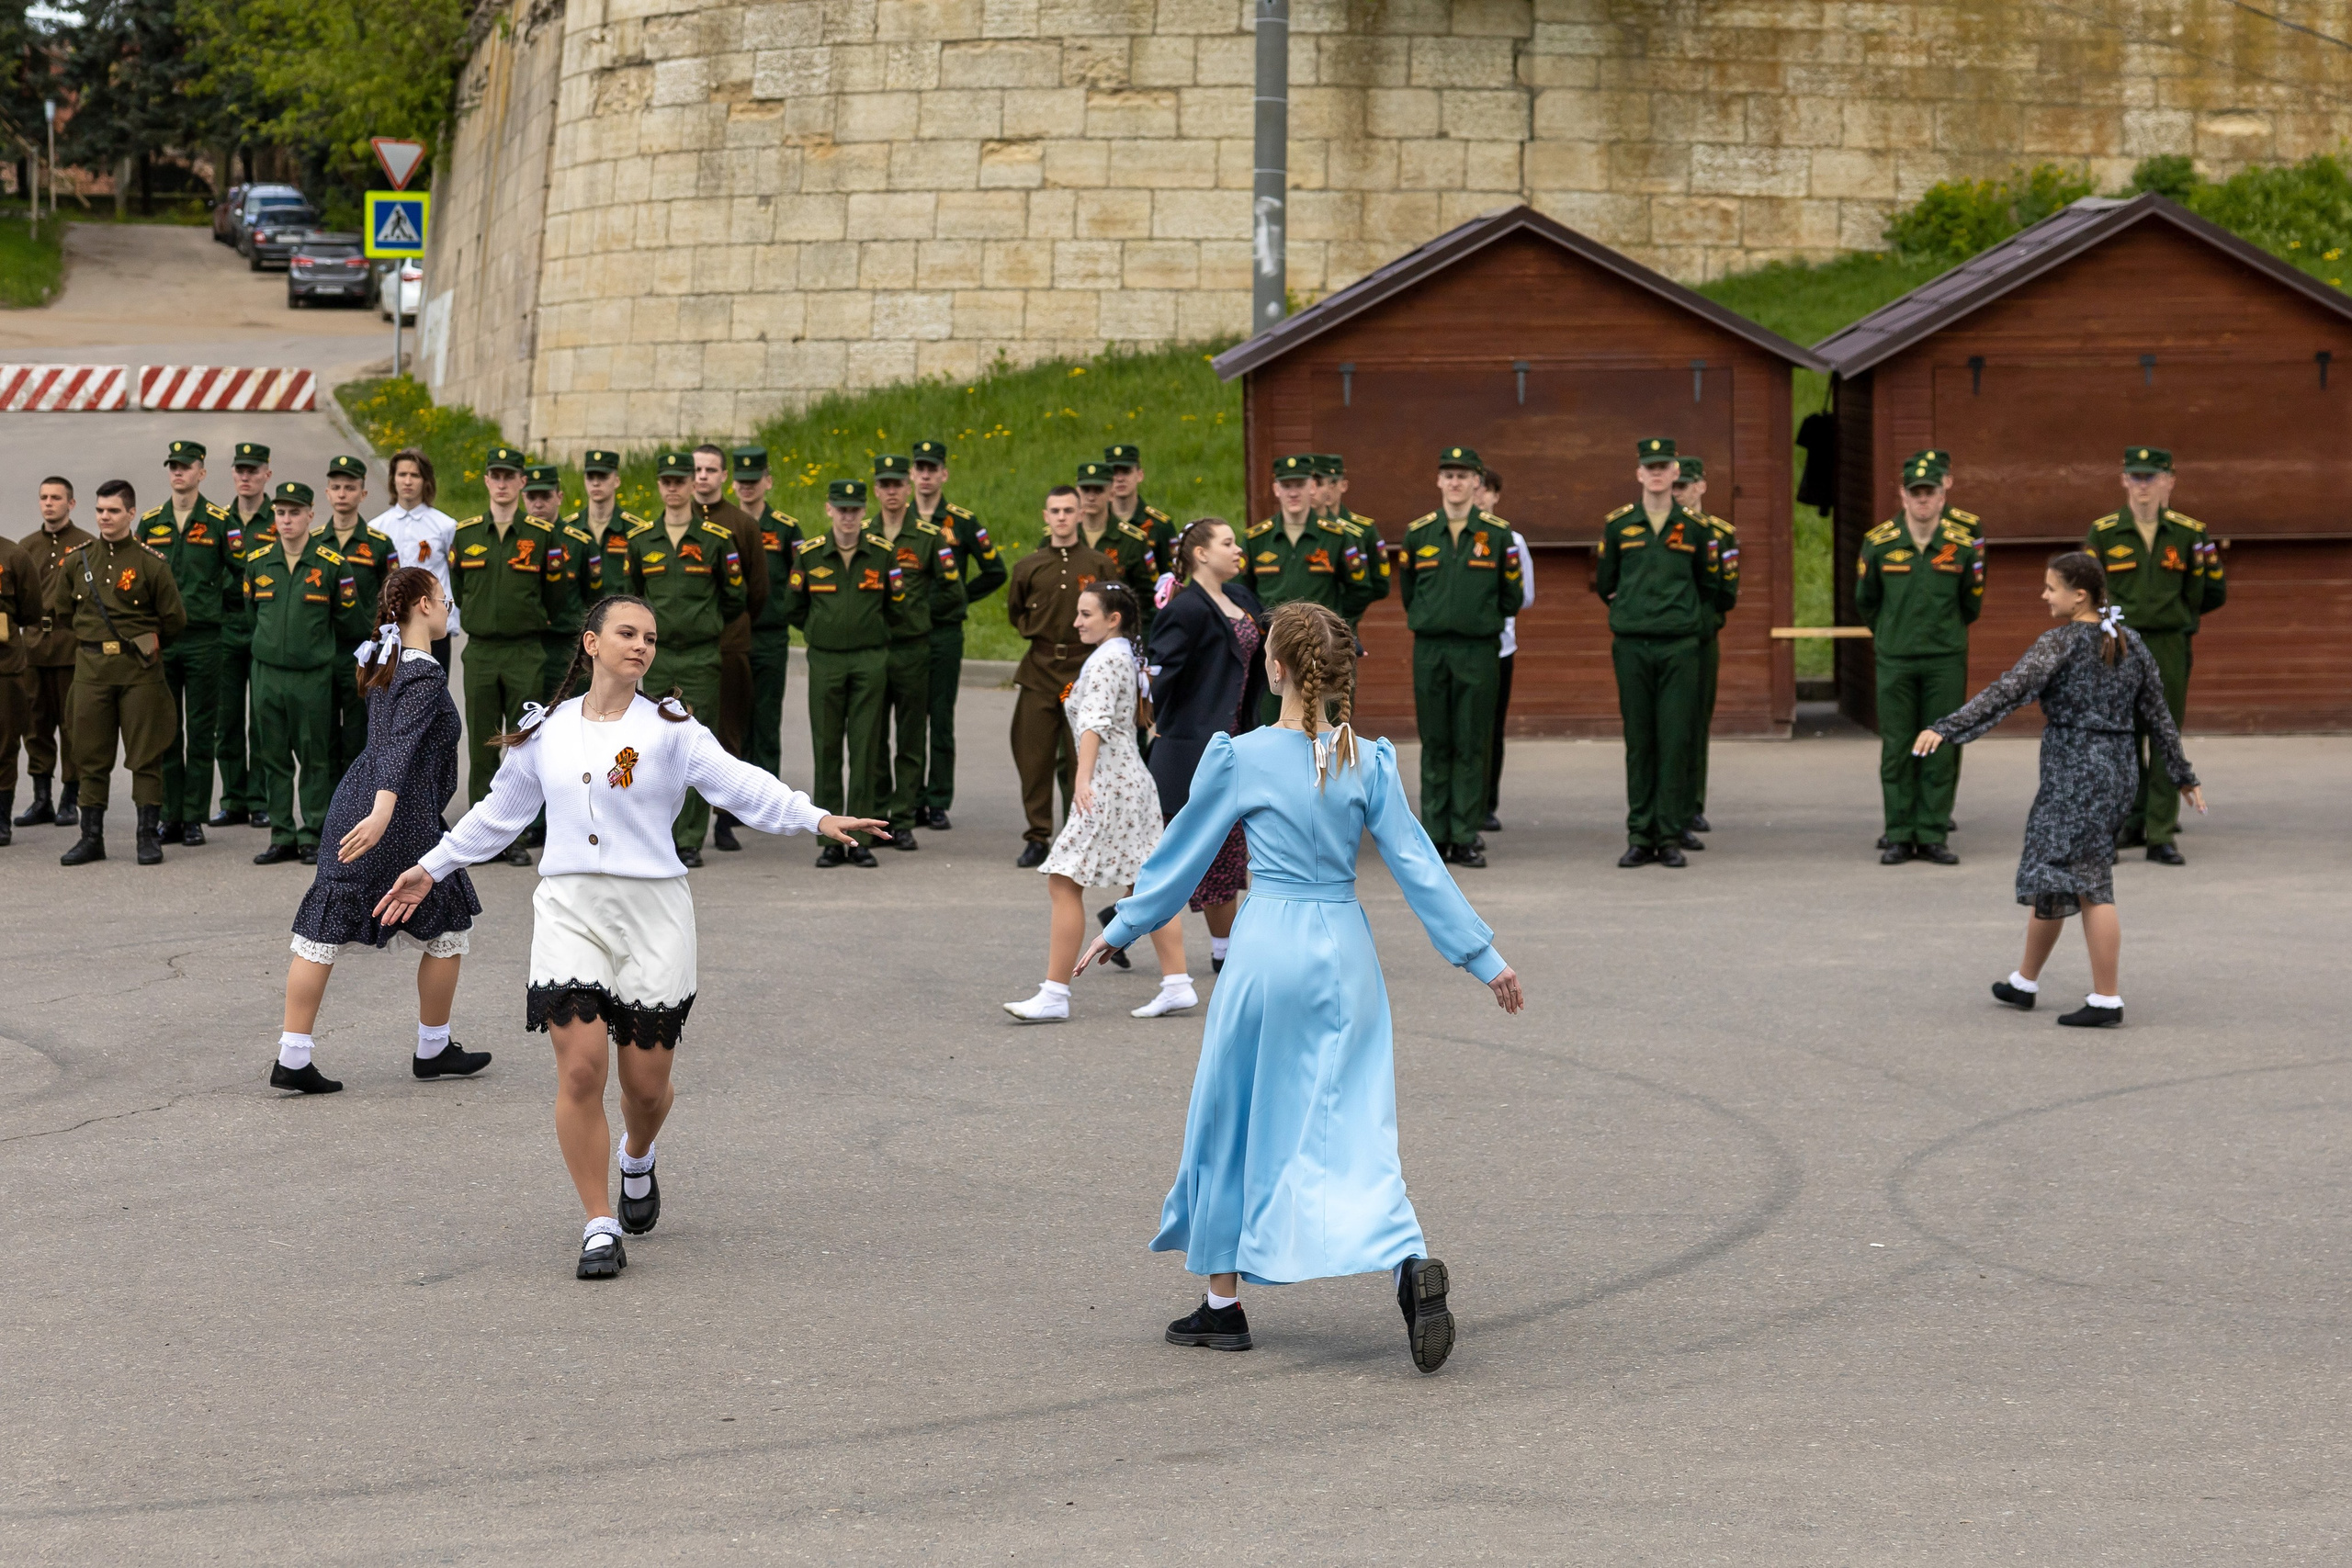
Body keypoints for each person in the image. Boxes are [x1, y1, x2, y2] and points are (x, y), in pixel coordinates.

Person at [372, 594, 887, 1279]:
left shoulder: (671, 729)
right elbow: (501, 812)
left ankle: (636, 1157)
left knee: (645, 1087)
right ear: (590, 643)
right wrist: (431, 867)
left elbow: (738, 782)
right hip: (571, 906)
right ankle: (597, 1223)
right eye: (626, 632)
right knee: (581, 1065)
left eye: (649, 637)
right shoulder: (546, 730)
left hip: (654, 911)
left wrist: (813, 817)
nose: (641, 645)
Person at [1076, 601, 1524, 1372]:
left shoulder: (1242, 756)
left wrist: (1122, 923)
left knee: (1230, 1114)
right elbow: (1419, 865)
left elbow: (1184, 851)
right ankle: (1407, 1259)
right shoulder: (1368, 760)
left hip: (1268, 947)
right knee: (1355, 1122)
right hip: (1345, 950)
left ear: (1273, 668)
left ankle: (1223, 1306)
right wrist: (1482, 956)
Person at [1917, 551, 2205, 1028]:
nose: (2044, 595)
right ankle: (2024, 982)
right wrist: (2183, 775)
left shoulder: (2061, 643)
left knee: (2091, 881)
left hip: (2076, 773)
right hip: (2115, 771)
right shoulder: (2130, 641)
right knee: (2054, 868)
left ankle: (2107, 999)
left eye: (2051, 588)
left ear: (2080, 596)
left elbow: (2008, 690)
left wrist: (1948, 728)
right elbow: (2159, 717)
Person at [271, 567, 488, 1095]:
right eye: (442, 598)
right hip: (397, 817)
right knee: (448, 922)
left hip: (365, 806)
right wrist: (384, 811)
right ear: (420, 606)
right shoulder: (424, 673)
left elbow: (386, 743)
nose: (447, 606)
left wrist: (374, 808)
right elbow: (397, 749)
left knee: (323, 926)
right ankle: (432, 1048)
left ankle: (292, 1055)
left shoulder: (387, 660)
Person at [1006, 580, 1194, 1021]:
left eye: (1085, 614)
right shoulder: (1124, 654)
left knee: (1064, 881)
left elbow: (1094, 722)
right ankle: (1177, 983)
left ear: (1114, 619)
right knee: (1148, 887)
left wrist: (1082, 779)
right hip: (1130, 784)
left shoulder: (1109, 657)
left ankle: (1054, 995)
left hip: (1110, 786)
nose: (1076, 622)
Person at [2086, 446, 2224, 866]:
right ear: (2123, 480)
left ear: (2170, 480)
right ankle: (2127, 822)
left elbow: (2209, 592)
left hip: (2168, 644)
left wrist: (2178, 619)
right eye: (2136, 476)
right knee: (2121, 739)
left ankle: (2161, 834)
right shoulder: (2104, 533)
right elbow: (2090, 593)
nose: (2143, 485)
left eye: (2152, 477)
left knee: (2164, 738)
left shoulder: (2190, 533)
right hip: (2120, 644)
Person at [1143, 519, 1266, 974]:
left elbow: (1281, 630)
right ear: (1199, 554)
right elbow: (1159, 676)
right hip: (1191, 751)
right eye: (1228, 543)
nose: (1238, 550)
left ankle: (1219, 948)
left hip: (1238, 747)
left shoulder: (1241, 598)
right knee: (1187, 851)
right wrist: (1155, 723)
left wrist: (1336, 641)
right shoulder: (1186, 608)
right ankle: (1225, 954)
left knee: (1223, 850)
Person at [1595, 437, 1721, 869]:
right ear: (1639, 474)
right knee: (1640, 740)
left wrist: (1684, 620)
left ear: (1674, 473)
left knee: (1674, 738)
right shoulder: (1618, 526)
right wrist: (1634, 614)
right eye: (1648, 466)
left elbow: (1713, 587)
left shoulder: (1697, 529)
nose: (1656, 473)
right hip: (1631, 644)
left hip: (1680, 646)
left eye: (1663, 466)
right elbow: (1606, 581)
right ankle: (1639, 834)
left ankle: (1668, 835)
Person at [620, 449, 749, 867]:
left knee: (696, 745)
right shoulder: (641, 541)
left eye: (681, 480)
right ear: (659, 485)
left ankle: (690, 837)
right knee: (656, 747)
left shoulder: (715, 540)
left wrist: (701, 624)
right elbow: (631, 597)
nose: (674, 488)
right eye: (667, 481)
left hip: (700, 657)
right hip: (656, 657)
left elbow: (736, 598)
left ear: (694, 485)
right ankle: (659, 831)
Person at [50, 479, 187, 867]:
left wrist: (145, 644)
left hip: (139, 673)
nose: (104, 517)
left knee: (146, 757)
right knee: (90, 757)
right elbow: (63, 611)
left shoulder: (150, 563)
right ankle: (91, 837)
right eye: (99, 511)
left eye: (113, 511)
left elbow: (174, 619)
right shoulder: (78, 561)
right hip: (92, 671)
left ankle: (147, 836)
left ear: (131, 513)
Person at [1399, 446, 1523, 868]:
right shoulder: (1419, 535)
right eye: (1447, 475)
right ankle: (1435, 835)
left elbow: (1511, 596)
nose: (1455, 482)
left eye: (1463, 475)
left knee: (1472, 741)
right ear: (1438, 481)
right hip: (1431, 648)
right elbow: (1410, 592)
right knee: (1436, 740)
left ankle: (1465, 835)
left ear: (1477, 482)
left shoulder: (1499, 535)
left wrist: (1476, 619)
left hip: (1478, 649)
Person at [1858, 455, 1983, 864]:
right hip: (1896, 658)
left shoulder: (1962, 546)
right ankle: (1898, 833)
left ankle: (1931, 833)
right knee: (1897, 746)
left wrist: (1942, 634)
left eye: (1930, 492)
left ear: (1943, 494)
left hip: (1945, 659)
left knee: (1941, 744)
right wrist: (1894, 634)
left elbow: (1971, 603)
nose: (1923, 500)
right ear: (1903, 495)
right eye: (1916, 493)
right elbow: (1867, 602)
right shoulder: (1878, 543)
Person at [449, 445, 567, 866]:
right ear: (486, 481)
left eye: (509, 476)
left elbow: (554, 593)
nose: (501, 483)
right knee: (483, 743)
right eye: (494, 475)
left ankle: (515, 834)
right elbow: (460, 590)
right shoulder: (465, 534)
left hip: (524, 651)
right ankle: (483, 835)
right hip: (480, 650)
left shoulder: (542, 535)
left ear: (521, 482)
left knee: (523, 745)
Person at [244, 481, 372, 866]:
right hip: (267, 673)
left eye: (294, 512)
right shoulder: (258, 561)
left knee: (315, 756)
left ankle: (313, 833)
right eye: (280, 513)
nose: (286, 520)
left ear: (310, 515)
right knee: (274, 755)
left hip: (312, 676)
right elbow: (252, 613)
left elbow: (349, 621)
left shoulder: (332, 564)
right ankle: (281, 833)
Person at [783, 479, 894, 868]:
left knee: (865, 749)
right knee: (827, 747)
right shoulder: (810, 555)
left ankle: (860, 839)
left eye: (854, 509)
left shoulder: (882, 554)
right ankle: (830, 839)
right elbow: (794, 607)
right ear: (828, 509)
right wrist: (817, 633)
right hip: (826, 660)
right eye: (841, 508)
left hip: (869, 660)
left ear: (864, 512)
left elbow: (896, 607)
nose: (848, 516)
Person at [139, 439, 237, 848]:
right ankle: (169, 815)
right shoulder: (150, 521)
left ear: (202, 472)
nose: (178, 473)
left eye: (186, 466)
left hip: (204, 641)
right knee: (166, 731)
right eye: (173, 466)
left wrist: (216, 607)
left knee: (200, 730)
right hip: (164, 642)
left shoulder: (218, 520)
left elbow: (242, 572)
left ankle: (194, 816)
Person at [1006, 488, 1112, 867]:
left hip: (1084, 670)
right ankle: (1037, 835)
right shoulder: (1028, 566)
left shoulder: (1099, 564)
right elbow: (1016, 612)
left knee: (1081, 758)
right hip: (1040, 669)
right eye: (1056, 511)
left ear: (1081, 514)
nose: (1063, 517)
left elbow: (1116, 612)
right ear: (1045, 516)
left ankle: (1078, 833)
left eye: (1069, 510)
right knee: (1033, 756)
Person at [911, 438, 1004, 829]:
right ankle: (909, 797)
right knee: (909, 718)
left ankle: (937, 800)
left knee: (941, 717)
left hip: (945, 633)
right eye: (920, 467)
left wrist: (960, 598)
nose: (927, 474)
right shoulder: (899, 522)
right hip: (906, 633)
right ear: (912, 474)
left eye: (933, 468)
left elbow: (995, 570)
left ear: (944, 474)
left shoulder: (961, 522)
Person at [867, 454, 953, 852]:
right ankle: (881, 812)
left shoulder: (928, 535)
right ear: (876, 489)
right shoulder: (863, 534)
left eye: (897, 484)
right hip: (874, 648)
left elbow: (950, 587)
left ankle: (904, 817)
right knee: (873, 736)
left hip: (912, 649)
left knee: (911, 736)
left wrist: (921, 617)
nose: (891, 491)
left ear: (908, 486)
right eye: (883, 485)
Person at [687, 443, 769, 852]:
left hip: (727, 645)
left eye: (711, 469)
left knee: (727, 733)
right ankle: (679, 823)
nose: (703, 476)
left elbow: (756, 591)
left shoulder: (742, 524)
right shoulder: (674, 525)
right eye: (697, 469)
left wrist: (726, 627)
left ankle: (724, 820)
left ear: (724, 477)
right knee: (678, 733)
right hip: (682, 647)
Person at [16, 476, 94, 831]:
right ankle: (41, 798)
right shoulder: (26, 546)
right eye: (44, 497)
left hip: (70, 646)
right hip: (32, 647)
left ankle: (69, 798)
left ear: (71, 504)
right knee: (35, 724)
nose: (49, 504)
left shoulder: (86, 545)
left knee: (72, 724)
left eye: (56, 498)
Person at [1668, 456, 1737, 841]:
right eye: (1675, 486)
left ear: (1701, 487)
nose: (1679, 493)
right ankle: (1670, 807)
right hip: (1668, 635)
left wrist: (1702, 622)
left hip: (1702, 637)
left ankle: (1692, 805)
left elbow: (1725, 591)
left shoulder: (1718, 533)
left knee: (1695, 722)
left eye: (1685, 486)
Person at [1244, 454, 1376, 649]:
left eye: (1299, 485)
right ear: (1276, 490)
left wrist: (1333, 622)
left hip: (1322, 642)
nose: (1293, 493)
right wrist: (1261, 627)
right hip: (1273, 643)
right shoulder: (1256, 539)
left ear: (1312, 488)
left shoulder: (1336, 537)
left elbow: (1360, 590)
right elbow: (1241, 592)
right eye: (1286, 486)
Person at [320, 456, 397, 786]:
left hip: (361, 655)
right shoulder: (312, 543)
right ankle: (324, 814)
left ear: (363, 494)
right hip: (320, 652)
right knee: (322, 737)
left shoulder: (379, 545)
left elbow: (393, 601)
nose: (342, 494)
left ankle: (356, 806)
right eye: (336, 487)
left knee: (357, 736)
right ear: (326, 493)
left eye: (350, 488)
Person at [732, 446, 804, 784]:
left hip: (771, 635)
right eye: (742, 481)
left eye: (754, 480)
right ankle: (738, 793)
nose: (748, 487)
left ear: (768, 481)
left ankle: (768, 790)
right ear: (732, 484)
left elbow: (799, 580)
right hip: (734, 635)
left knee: (766, 716)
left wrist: (787, 613)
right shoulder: (722, 526)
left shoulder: (786, 529)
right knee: (735, 717)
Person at [213, 442, 275, 832]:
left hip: (265, 628)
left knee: (262, 720)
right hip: (227, 627)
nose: (246, 477)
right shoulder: (219, 521)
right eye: (240, 470)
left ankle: (260, 800)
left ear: (267, 473)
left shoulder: (280, 517)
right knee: (227, 719)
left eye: (254, 470)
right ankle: (232, 799)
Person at [1476, 467, 1534, 836]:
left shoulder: (1512, 540)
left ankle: (1486, 804)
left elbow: (1524, 596)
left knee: (1491, 729)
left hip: (1499, 647)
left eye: (1486, 490)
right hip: (1464, 646)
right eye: (1475, 487)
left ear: (1496, 496)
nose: (1479, 495)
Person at [370, 448, 461, 671]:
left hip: (432, 628)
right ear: (393, 480)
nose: (408, 481)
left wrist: (450, 620)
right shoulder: (377, 527)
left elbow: (455, 576)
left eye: (415, 475)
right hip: (391, 627)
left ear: (426, 481)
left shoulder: (445, 525)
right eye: (402, 475)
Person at [1103, 444, 1177, 635]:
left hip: (1145, 620)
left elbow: (1169, 578)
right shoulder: (1096, 524)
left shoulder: (1160, 526)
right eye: (1113, 472)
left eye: (1126, 471)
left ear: (1139, 475)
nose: (1119, 478)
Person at [0, 526, 41, 843]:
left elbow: (30, 611)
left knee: (4, 743)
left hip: (5, 668)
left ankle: (1, 819)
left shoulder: (14, 555)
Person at [1313, 453, 1389, 624]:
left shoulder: (1361, 531)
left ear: (1344, 485)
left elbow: (1378, 585)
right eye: (1318, 483)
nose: (1328, 489)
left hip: (1344, 622)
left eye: (1333, 483)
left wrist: (1341, 612)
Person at [1075, 460, 1159, 614]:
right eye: (1086, 490)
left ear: (1111, 494)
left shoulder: (1133, 541)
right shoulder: (1061, 538)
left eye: (1098, 490)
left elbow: (1148, 599)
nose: (1091, 497)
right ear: (1077, 492)